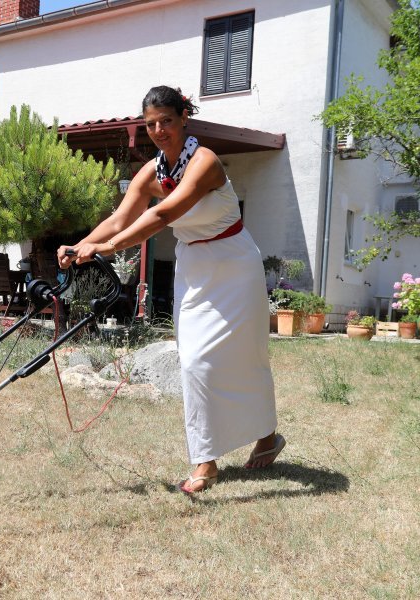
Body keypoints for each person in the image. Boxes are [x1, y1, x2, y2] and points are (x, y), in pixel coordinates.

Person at [57, 85, 285, 493]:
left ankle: (267, 438)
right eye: (150, 124)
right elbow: (119, 219)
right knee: (194, 360)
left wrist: (105, 248)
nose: (159, 130)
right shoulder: (151, 171)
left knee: (248, 357)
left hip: (235, 264)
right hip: (196, 268)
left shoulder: (205, 162)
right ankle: (206, 461)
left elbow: (165, 213)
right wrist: (82, 245)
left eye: (166, 120)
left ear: (184, 117)